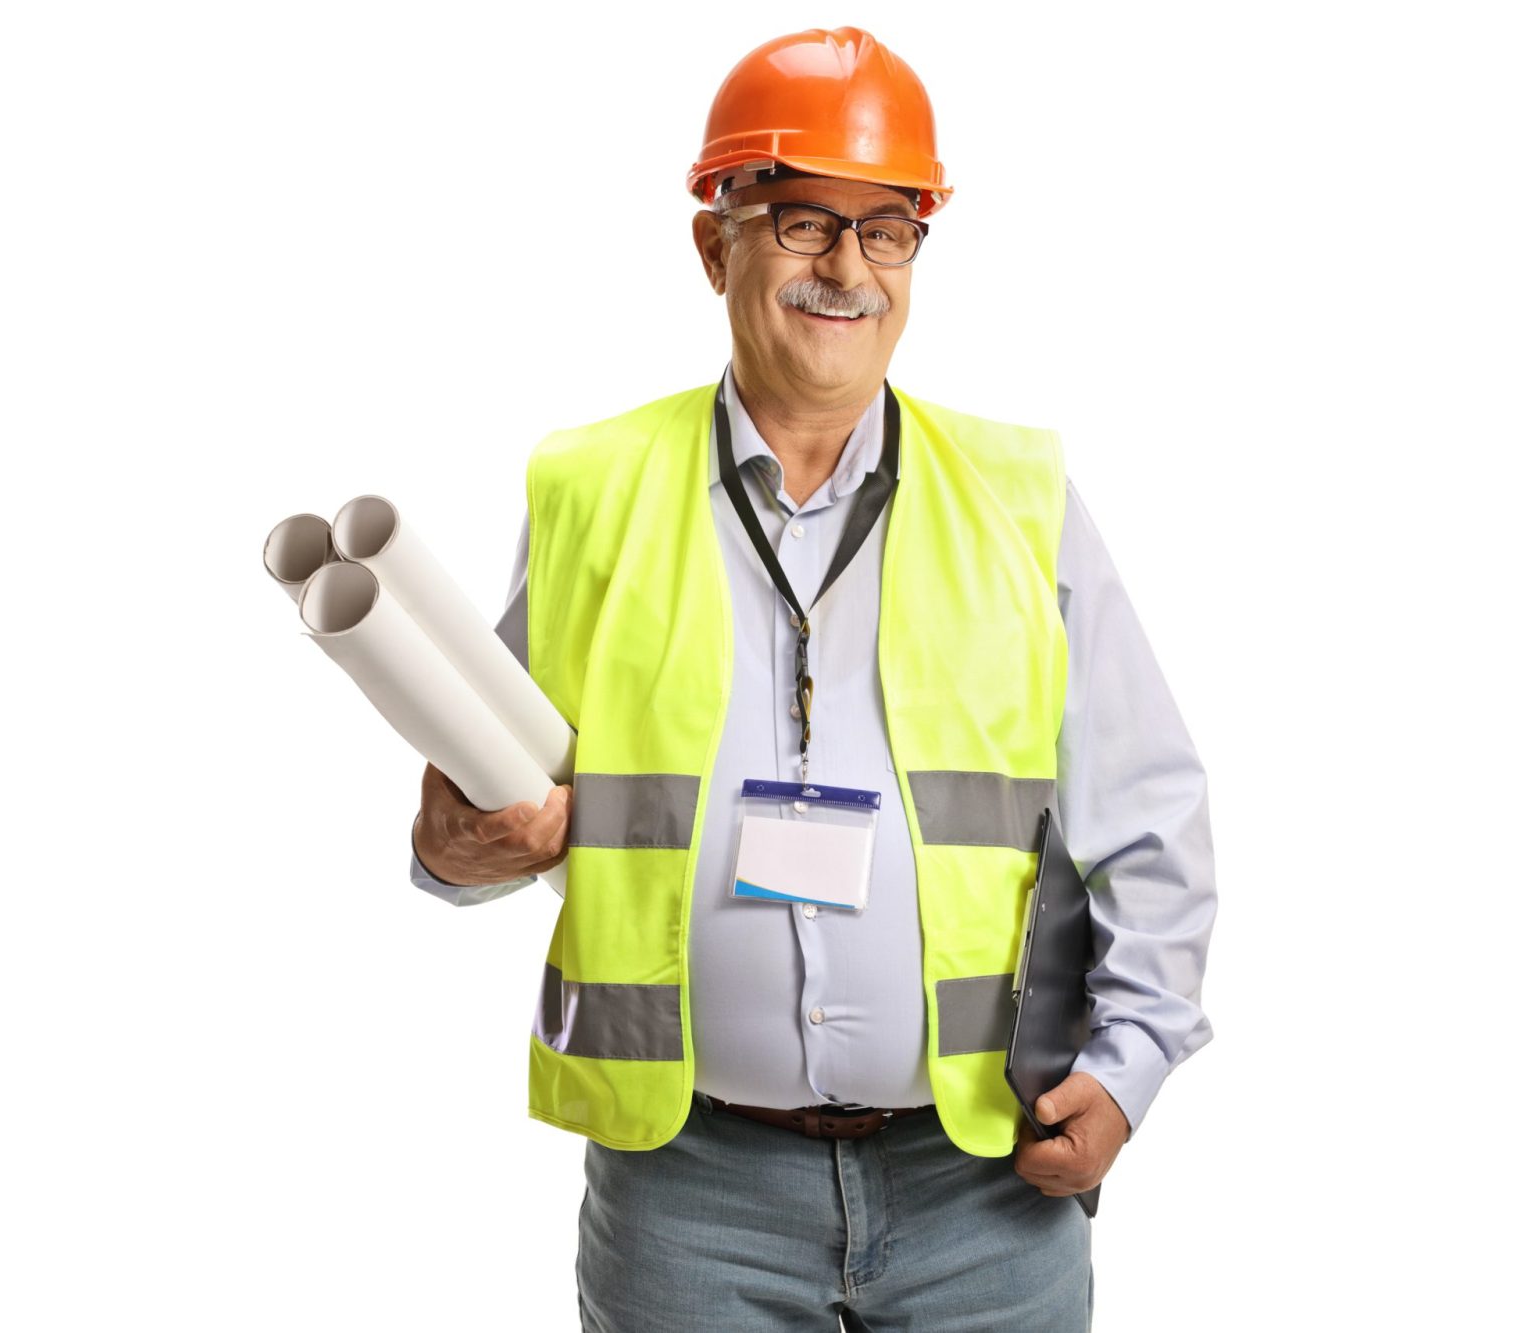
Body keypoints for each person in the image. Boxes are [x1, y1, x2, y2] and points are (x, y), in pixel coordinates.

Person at [408, 26, 1216, 1331]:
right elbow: (494, 805)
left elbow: (1154, 814)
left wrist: (1130, 1068)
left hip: (982, 1195)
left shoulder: (1020, 500)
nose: (846, 269)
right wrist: (454, 845)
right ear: (713, 242)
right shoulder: (593, 493)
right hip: (691, 1195)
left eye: (884, 228)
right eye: (799, 222)